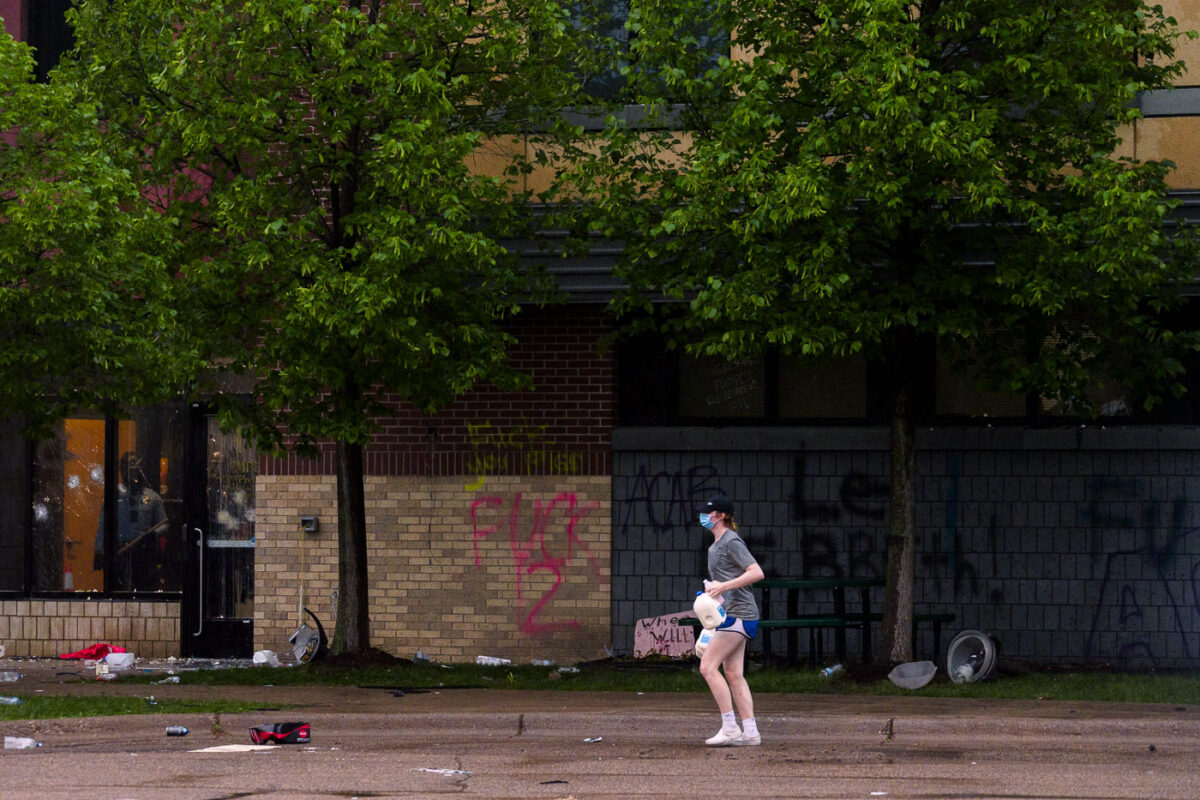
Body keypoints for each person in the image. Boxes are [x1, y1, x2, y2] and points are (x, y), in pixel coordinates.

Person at [696, 493, 765, 747]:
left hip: (739, 615)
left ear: (720, 516)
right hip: (735, 614)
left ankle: (730, 727)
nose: (704, 516)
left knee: (707, 666)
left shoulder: (730, 541)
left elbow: (757, 572)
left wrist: (723, 586)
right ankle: (751, 732)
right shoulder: (716, 546)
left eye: (708, 513)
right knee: (734, 674)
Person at [94, 451, 168, 590]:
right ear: (122, 470)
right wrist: (98, 550)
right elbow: (103, 524)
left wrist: (153, 534)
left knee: (143, 590)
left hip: (143, 553)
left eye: (135, 465)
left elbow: (164, 523)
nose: (132, 470)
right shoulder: (113, 495)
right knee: (118, 591)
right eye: (128, 466)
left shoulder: (153, 497)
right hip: (119, 552)